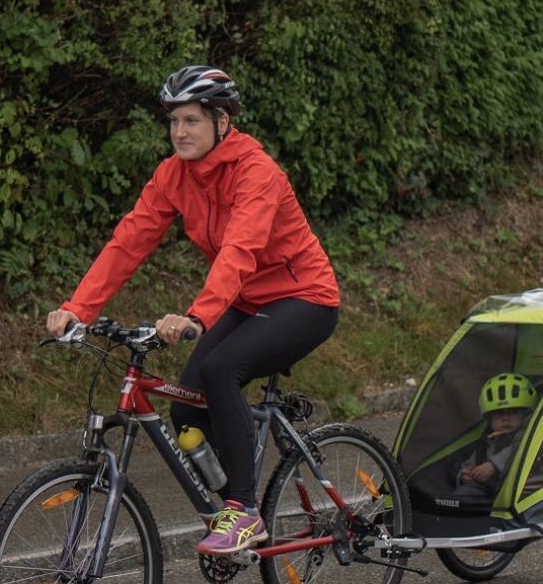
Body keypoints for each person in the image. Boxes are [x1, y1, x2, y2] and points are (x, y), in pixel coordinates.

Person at [46, 65, 340, 555]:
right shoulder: (173, 176)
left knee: (223, 367)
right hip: (246, 301)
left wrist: (197, 316)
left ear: (222, 121)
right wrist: (78, 308)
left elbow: (239, 250)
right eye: (174, 121)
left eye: (191, 121)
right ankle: (229, 500)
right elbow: (128, 243)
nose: (179, 132)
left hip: (303, 298)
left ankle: (245, 512)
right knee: (186, 402)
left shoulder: (257, 172)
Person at [452, 373, 537, 497]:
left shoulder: (529, 436)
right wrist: (465, 475)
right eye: (499, 414)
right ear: (489, 419)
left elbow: (520, 451)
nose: (506, 419)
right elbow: (471, 463)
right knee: (464, 494)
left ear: (525, 415)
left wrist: (494, 466)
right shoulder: (486, 442)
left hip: (521, 493)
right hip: (489, 494)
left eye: (513, 413)